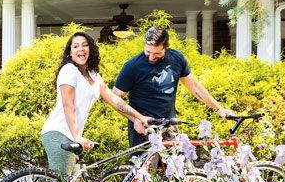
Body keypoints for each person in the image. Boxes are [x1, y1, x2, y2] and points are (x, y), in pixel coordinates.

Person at [41, 31, 150, 174]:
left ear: (90, 49)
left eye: (85, 45)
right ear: (70, 52)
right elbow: (68, 106)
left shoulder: (93, 75)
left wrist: (138, 118)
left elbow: (114, 100)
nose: (81, 49)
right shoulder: (69, 70)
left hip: (72, 135)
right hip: (59, 132)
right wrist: (78, 137)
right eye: (76, 46)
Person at [112, 26, 234, 147]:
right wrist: (135, 119)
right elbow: (115, 98)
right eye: (148, 52)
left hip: (169, 124)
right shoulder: (132, 66)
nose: (151, 57)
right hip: (143, 127)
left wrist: (219, 109)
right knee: (145, 166)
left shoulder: (176, 59)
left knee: (178, 164)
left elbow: (195, 87)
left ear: (166, 47)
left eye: (157, 53)